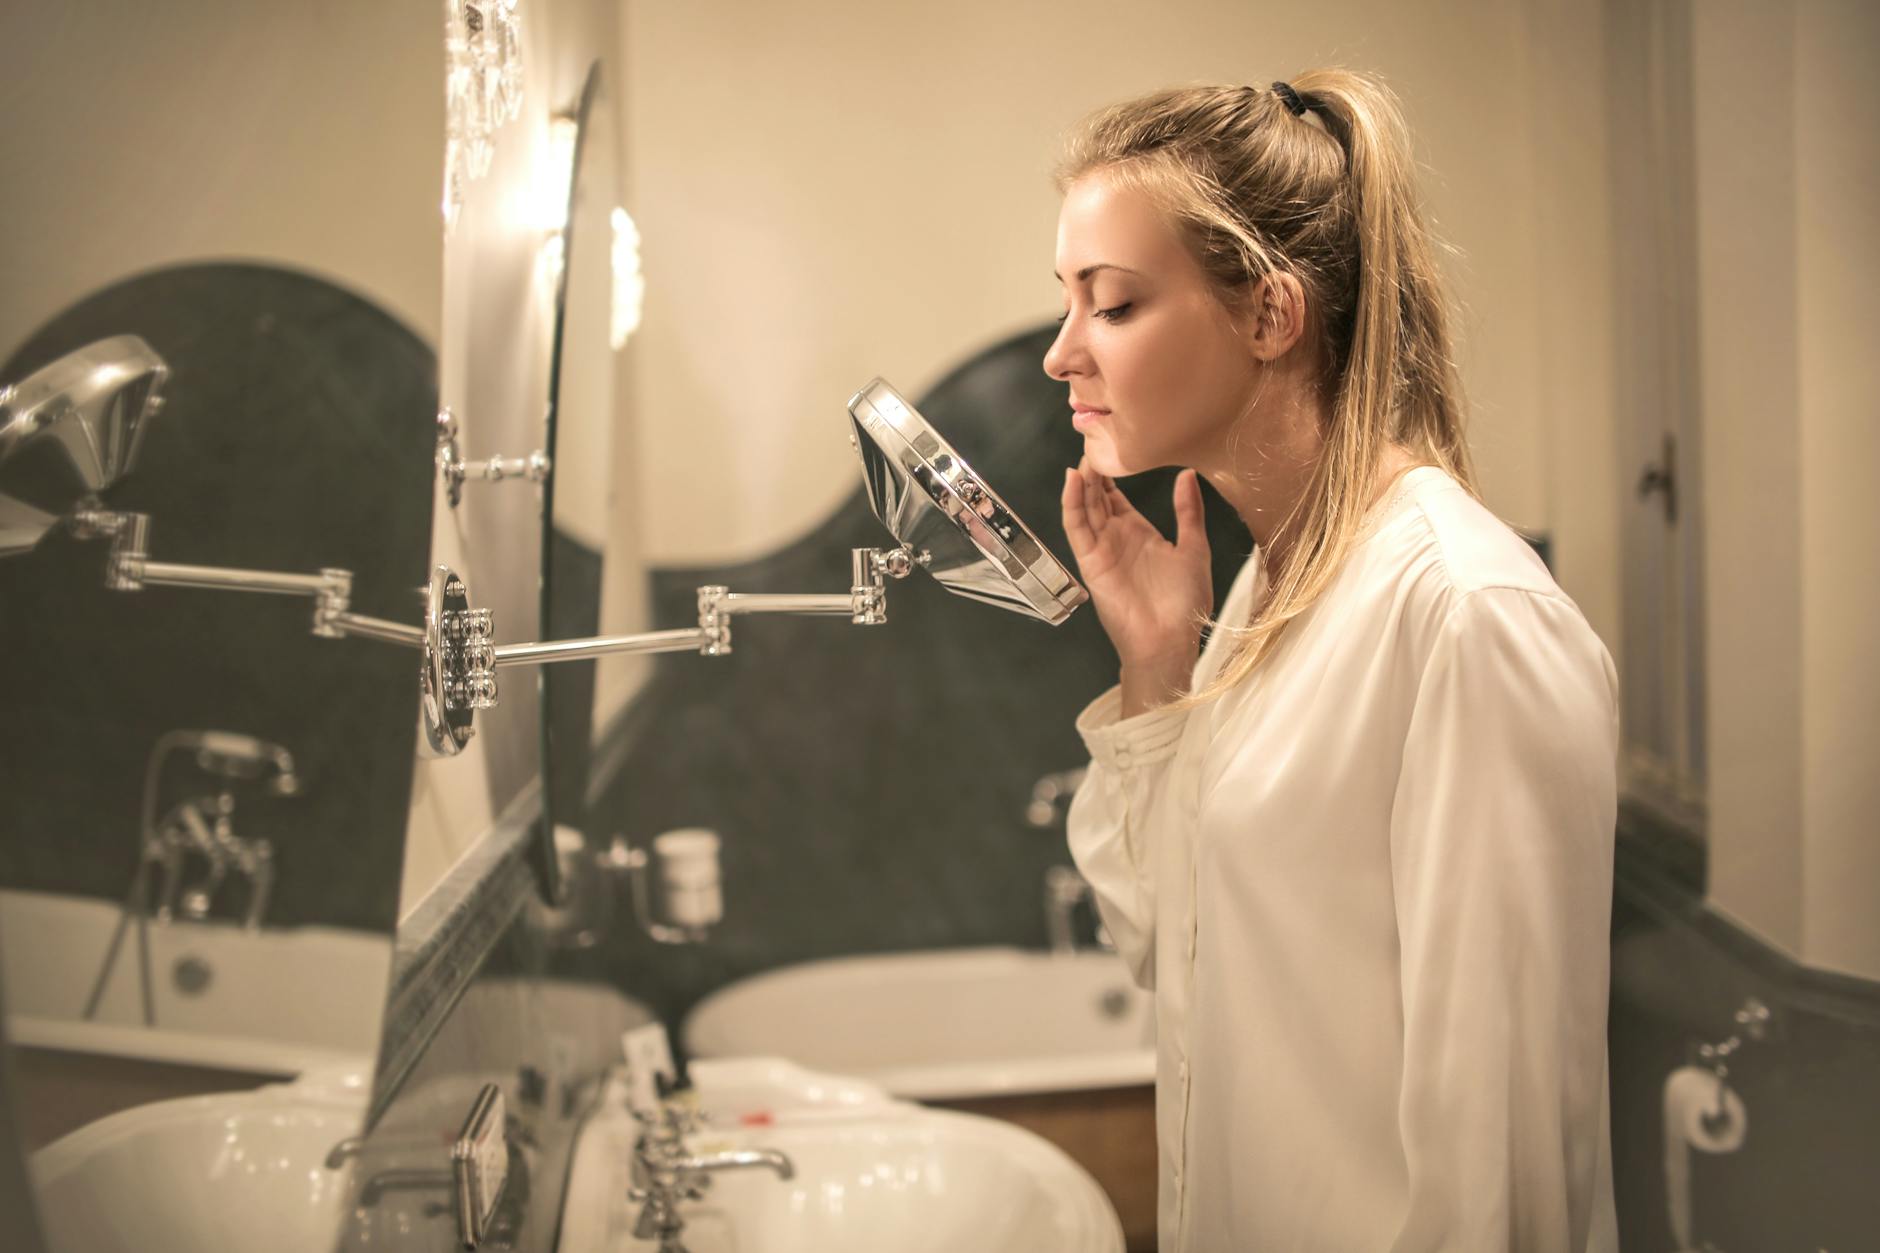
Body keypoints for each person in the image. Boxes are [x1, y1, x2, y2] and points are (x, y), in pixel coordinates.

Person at [1049, 73, 1620, 1252]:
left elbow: (1500, 1162)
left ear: (1268, 314)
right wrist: (1158, 664)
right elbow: (1167, 941)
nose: (1061, 354)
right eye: (1066, 302)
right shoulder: (1267, 585)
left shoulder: (1464, 615)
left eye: (1107, 306)